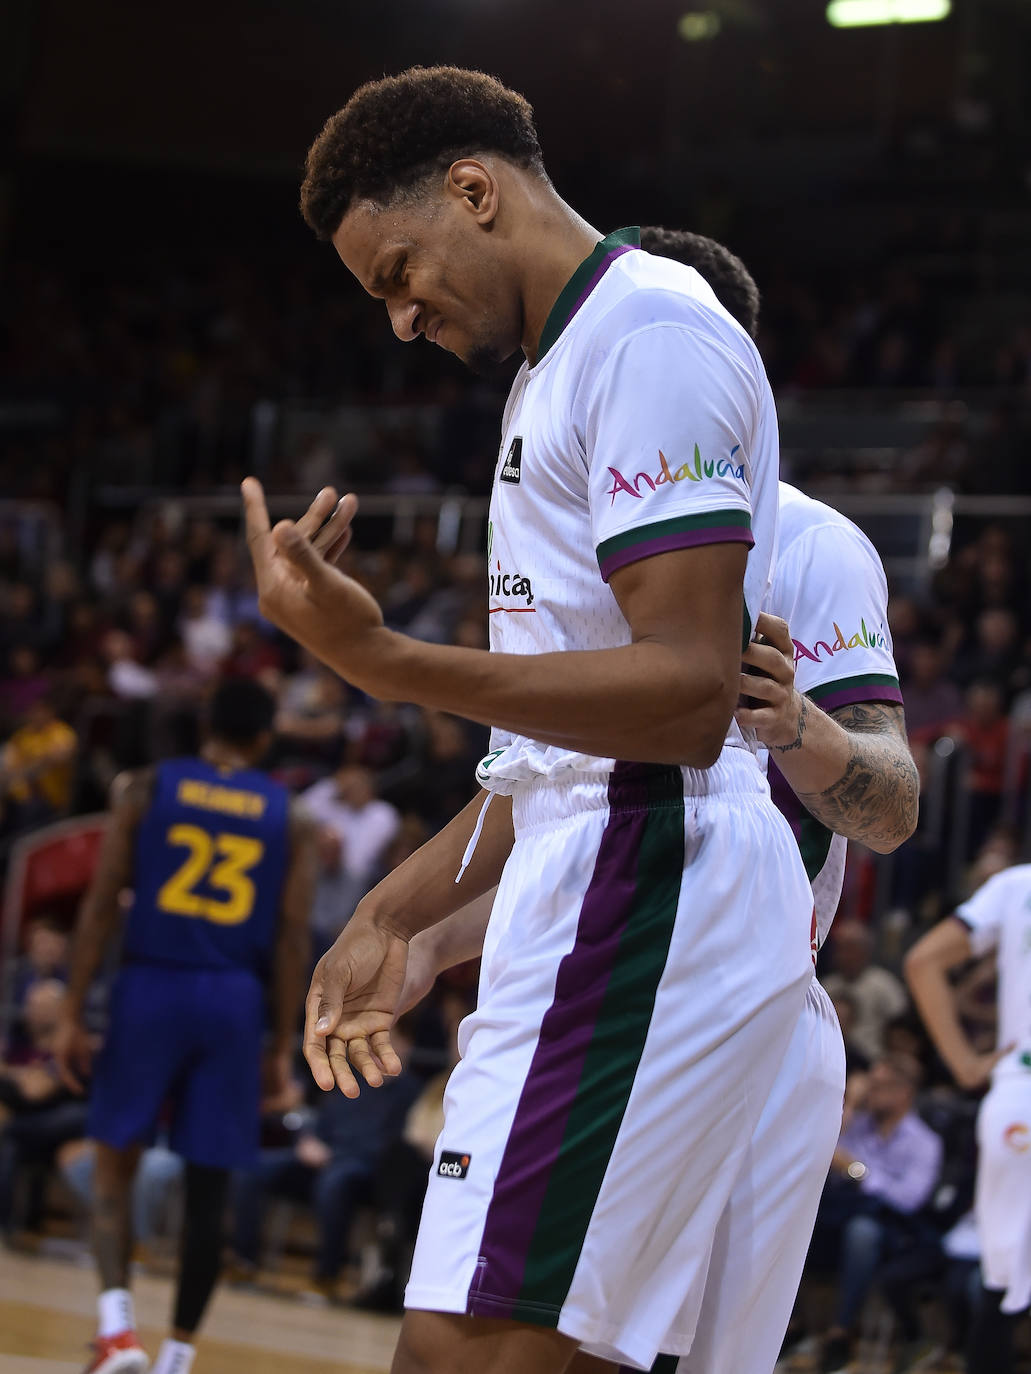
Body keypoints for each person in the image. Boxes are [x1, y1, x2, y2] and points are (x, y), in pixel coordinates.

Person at [244, 64, 818, 1374]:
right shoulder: (548, 375)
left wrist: (385, 659)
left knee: (484, 1350)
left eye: (398, 270)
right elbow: (562, 744)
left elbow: (679, 698)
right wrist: (406, 907)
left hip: (650, 868)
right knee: (468, 1344)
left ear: (471, 190)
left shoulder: (649, 339)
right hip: (595, 865)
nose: (397, 318)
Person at [398, 224, 919, 1374]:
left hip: (753, 994)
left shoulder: (812, 547)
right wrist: (415, 931)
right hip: (626, 945)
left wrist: (800, 729)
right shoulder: (586, 519)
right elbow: (557, 801)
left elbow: (890, 810)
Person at [53, 678, 318, 1374]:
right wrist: (280, 1043)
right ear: (264, 740)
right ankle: (176, 1358)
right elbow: (293, 938)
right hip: (234, 999)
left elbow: (104, 900)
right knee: (210, 1189)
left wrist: (74, 1010)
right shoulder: (289, 816)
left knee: (114, 1164)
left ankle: (117, 1334)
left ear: (208, 727)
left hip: (150, 984)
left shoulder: (144, 788)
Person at [904, 860, 1031, 1374]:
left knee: (1003, 1284)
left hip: (1020, 1095)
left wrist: (964, 1064)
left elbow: (923, 961)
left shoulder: (1017, 885)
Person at [804, 1054, 943, 1374]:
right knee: (801, 1222)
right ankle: (792, 1325)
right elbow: (820, 1148)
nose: (872, 1093)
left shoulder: (924, 1141)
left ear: (904, 1091)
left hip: (895, 1231)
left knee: (862, 1233)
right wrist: (850, 1103)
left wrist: (856, 1171)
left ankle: (840, 1333)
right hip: (839, 1218)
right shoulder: (858, 1125)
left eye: (880, 1087)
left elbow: (909, 1201)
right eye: (870, 1085)